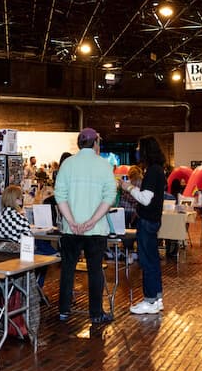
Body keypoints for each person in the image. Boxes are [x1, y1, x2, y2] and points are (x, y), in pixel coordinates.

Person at [54, 128, 117, 325]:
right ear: (95, 143)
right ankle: (96, 313)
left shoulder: (68, 164)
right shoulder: (104, 166)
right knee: (95, 271)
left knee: (68, 269)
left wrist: (72, 221)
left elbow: (59, 195)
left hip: (69, 229)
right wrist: (91, 221)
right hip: (96, 229)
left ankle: (64, 310)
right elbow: (109, 198)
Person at [122, 136, 167, 314]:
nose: (137, 150)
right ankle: (156, 298)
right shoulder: (158, 170)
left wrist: (128, 188)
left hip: (147, 221)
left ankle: (149, 300)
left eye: (139, 147)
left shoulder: (152, 171)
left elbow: (146, 199)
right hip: (153, 221)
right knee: (153, 261)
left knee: (147, 261)